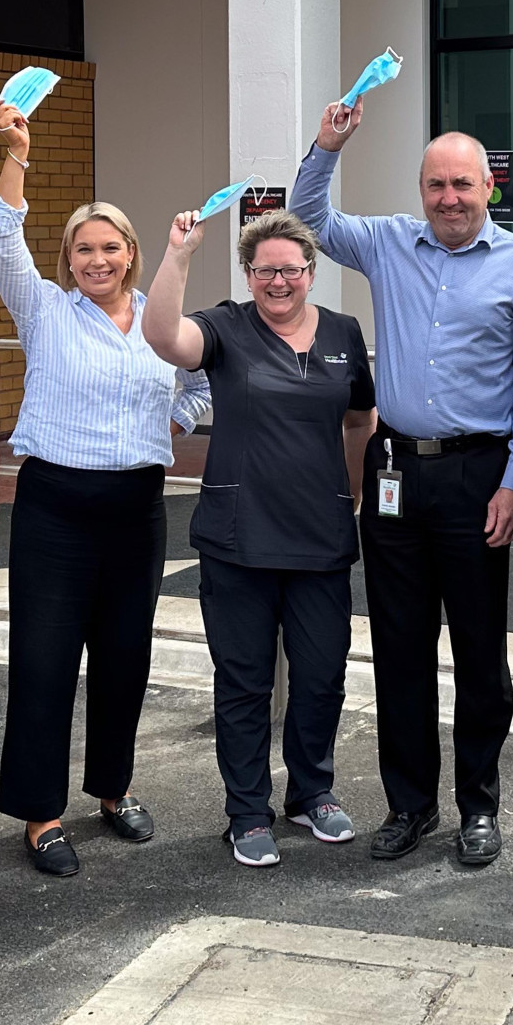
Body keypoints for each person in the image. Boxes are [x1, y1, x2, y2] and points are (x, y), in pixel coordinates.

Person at [294, 105, 513, 866]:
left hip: (480, 475)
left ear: (488, 188)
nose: (449, 197)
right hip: (394, 472)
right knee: (400, 649)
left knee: (478, 652)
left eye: (463, 184)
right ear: (422, 188)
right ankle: (410, 804)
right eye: (436, 184)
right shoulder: (384, 244)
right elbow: (308, 216)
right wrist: (329, 145)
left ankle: (479, 805)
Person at [0, 98, 210, 878]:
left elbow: (200, 387)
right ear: (68, 258)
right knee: (45, 661)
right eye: (84, 248)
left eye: (110, 247)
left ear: (133, 252)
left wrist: (191, 410)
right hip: (55, 507)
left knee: (124, 657)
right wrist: (19, 153)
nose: (97, 259)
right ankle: (40, 814)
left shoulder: (160, 321)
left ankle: (113, 789)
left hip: (137, 510)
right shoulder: (45, 309)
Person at [142, 208, 376, 866]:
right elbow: (162, 335)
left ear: (311, 271)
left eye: (291, 269)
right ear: (249, 274)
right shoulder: (225, 327)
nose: (279, 280)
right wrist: (178, 253)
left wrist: (350, 495)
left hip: (321, 538)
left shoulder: (342, 333)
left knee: (322, 675)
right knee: (243, 683)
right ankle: (247, 810)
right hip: (237, 540)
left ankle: (312, 792)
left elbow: (360, 419)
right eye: (265, 269)